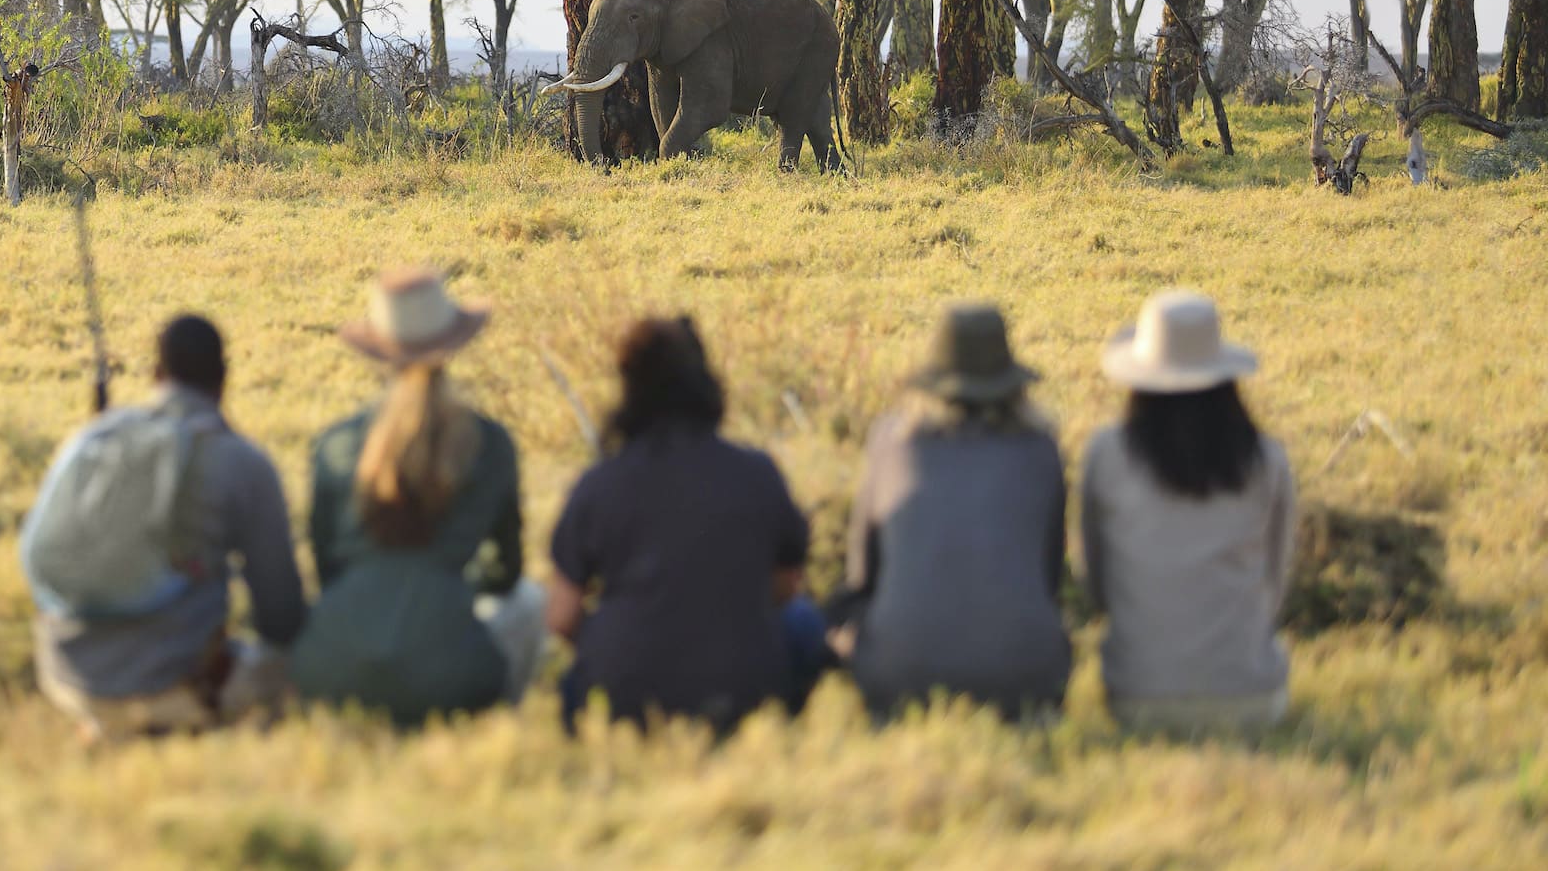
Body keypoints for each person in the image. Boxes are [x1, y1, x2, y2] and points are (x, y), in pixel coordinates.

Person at [20, 314, 306, 743]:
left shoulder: (97, 436)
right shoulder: (242, 461)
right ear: (224, 378)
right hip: (179, 681)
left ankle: (102, 724)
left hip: (66, 678)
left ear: (155, 375)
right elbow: (281, 615)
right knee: (300, 673)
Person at [290, 270, 546, 727]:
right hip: (453, 678)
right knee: (530, 601)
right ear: (452, 346)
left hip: (332, 669)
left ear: (377, 352)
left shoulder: (335, 443)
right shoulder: (488, 444)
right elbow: (506, 573)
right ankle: (500, 720)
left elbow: (326, 568)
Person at [549, 316, 826, 733]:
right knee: (803, 620)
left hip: (625, 693)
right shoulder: (757, 473)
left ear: (629, 390)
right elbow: (788, 586)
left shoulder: (599, 484)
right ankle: (783, 726)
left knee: (572, 682)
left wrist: (617, 637)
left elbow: (560, 616)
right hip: (743, 685)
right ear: (706, 382)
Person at [830, 303, 1072, 720]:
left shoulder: (891, 439)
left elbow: (863, 573)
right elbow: (1047, 575)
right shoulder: (1040, 448)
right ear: (1011, 379)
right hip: (1024, 676)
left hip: (898, 674)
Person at [1082, 290, 1297, 738]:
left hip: (1135, 699)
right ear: (1224, 380)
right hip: (1252, 700)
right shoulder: (1267, 459)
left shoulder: (1105, 455)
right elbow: (1275, 588)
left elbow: (1097, 585)